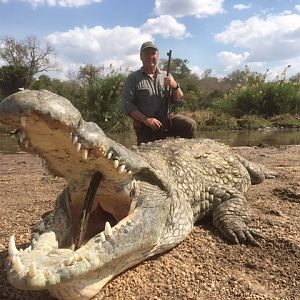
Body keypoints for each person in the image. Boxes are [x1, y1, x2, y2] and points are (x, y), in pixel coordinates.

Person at [122, 41, 197, 145]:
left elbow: (178, 99)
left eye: (153, 53)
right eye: (147, 53)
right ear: (141, 57)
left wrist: (175, 86)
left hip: (167, 121)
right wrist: (146, 120)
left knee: (189, 124)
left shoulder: (167, 75)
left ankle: (188, 155)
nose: (150, 56)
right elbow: (128, 106)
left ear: (158, 56)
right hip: (146, 126)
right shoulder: (133, 78)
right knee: (146, 154)